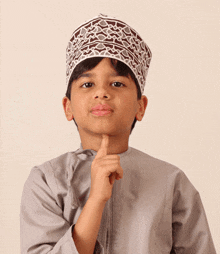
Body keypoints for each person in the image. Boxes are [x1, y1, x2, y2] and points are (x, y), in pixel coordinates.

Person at [20, 14, 216, 254]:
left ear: (140, 106)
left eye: (117, 84)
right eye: (87, 84)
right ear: (67, 106)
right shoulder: (46, 180)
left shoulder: (172, 182)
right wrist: (96, 200)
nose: (101, 92)